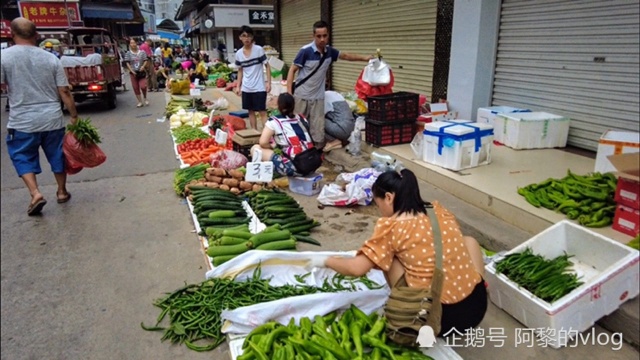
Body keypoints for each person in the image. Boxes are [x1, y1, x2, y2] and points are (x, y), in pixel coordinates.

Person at [304, 169, 488, 336]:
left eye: (378, 204)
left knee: (388, 258)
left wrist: (324, 261)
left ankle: (408, 310)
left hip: (438, 320)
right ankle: (480, 285)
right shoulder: (437, 211)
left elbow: (356, 269)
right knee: (469, 241)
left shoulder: (392, 227)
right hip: (476, 308)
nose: (380, 210)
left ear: (389, 198)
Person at [1, 17, 78, 216]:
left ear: (12, 35)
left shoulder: (4, 57)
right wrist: (74, 115)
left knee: (22, 155)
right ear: (37, 36)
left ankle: (35, 193)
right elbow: (64, 91)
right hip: (51, 119)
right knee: (57, 154)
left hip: (22, 121)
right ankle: (61, 192)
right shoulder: (51, 58)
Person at [286, 20, 372, 150]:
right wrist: (289, 93)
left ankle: (316, 153)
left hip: (318, 98)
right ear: (313, 36)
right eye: (318, 36)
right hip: (301, 96)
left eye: (324, 36)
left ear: (328, 35)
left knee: (317, 128)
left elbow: (346, 56)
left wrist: (365, 58)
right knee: (298, 125)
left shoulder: (330, 52)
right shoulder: (305, 51)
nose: (322, 39)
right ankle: (297, 151)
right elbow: (292, 70)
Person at [250, 93, 316, 177]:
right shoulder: (302, 118)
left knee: (255, 148)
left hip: (296, 168)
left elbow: (263, 142)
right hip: (312, 163)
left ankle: (263, 176)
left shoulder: (274, 121)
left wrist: (273, 147)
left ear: (279, 106)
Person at [234, 25, 271, 130]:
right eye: (244, 36)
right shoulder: (238, 54)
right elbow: (240, 70)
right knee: (250, 111)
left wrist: (269, 83)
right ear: (240, 37)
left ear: (252, 37)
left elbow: (267, 66)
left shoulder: (258, 50)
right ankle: (254, 133)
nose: (247, 38)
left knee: (262, 111)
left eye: (249, 36)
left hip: (259, 87)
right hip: (246, 87)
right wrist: (238, 86)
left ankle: (267, 135)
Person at [124, 38, 149, 107]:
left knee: (143, 86)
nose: (133, 44)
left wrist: (143, 66)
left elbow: (145, 60)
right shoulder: (128, 53)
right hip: (133, 73)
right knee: (135, 87)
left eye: (134, 43)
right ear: (129, 44)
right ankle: (140, 101)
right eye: (131, 43)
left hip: (141, 72)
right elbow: (127, 63)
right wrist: (131, 71)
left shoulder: (142, 52)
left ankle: (145, 98)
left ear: (136, 43)